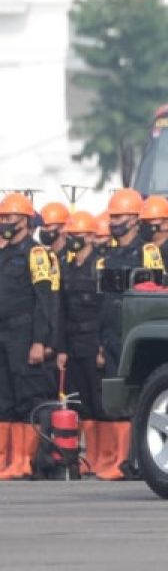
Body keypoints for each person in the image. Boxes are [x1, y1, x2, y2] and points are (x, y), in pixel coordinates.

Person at [98, 188, 164, 481]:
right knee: (116, 399)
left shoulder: (146, 251)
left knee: (137, 399)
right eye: (113, 217)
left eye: (121, 216)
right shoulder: (109, 255)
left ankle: (134, 459)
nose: (115, 222)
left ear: (136, 219)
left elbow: (158, 291)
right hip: (111, 333)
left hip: (134, 330)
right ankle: (118, 459)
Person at [0, 193, 58, 480]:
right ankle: (5, 460)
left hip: (24, 334)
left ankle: (24, 461)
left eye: (10, 217)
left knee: (25, 399)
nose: (5, 222)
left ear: (25, 220)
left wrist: (40, 340)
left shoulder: (36, 253)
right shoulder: (3, 253)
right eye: (3, 218)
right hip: (3, 333)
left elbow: (44, 299)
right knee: (4, 399)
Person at [58, 210, 109, 478]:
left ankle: (106, 457)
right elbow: (62, 310)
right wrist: (62, 348)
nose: (72, 240)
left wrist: (103, 346)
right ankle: (90, 456)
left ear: (91, 237)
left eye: (77, 235)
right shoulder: (67, 267)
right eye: (70, 235)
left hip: (93, 341)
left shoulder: (99, 265)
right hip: (74, 342)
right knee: (81, 404)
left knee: (99, 401)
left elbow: (105, 308)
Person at [139, 195, 168, 269]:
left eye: (150, 220)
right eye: (143, 221)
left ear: (166, 225)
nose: (145, 225)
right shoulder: (138, 252)